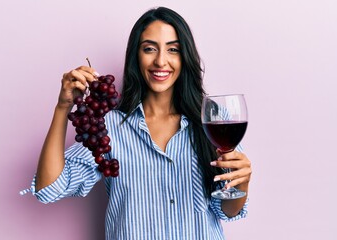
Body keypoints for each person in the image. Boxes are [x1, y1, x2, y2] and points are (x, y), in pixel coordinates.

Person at [21, 6, 252, 240]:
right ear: (136, 55)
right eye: (150, 49)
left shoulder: (211, 120)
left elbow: (227, 211)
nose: (161, 61)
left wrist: (242, 184)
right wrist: (63, 107)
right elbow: (49, 189)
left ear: (185, 57)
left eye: (173, 49)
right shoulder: (109, 126)